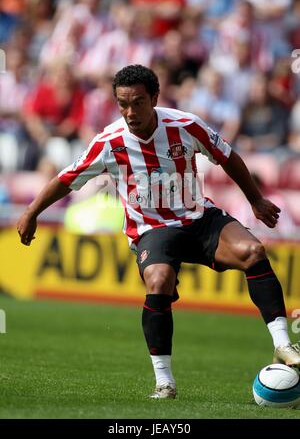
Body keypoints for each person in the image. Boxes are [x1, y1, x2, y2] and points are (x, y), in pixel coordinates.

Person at [17, 64, 300, 399]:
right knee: (159, 281)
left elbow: (227, 156)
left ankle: (283, 345)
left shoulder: (185, 125)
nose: (130, 112)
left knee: (254, 252)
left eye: (138, 102)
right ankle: (164, 381)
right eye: (122, 104)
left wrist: (255, 200)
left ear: (154, 98)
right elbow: (66, 178)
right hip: (152, 229)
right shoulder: (109, 142)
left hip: (199, 218)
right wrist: (32, 212)